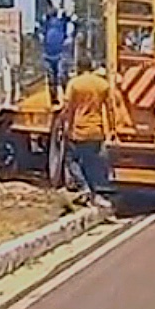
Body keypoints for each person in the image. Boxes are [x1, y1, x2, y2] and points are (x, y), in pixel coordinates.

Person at [61, 53, 113, 208]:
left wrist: (66, 127)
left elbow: (68, 108)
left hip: (79, 129)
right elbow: (110, 109)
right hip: (96, 129)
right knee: (92, 162)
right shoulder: (102, 84)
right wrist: (110, 129)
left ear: (78, 67)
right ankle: (95, 193)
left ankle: (84, 188)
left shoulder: (75, 84)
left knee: (72, 161)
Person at [38, 0, 76, 104]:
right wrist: (41, 37)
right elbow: (40, 32)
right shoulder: (45, 20)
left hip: (60, 53)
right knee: (51, 78)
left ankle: (67, 96)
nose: (47, 10)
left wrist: (69, 37)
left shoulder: (62, 18)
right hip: (48, 54)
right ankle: (53, 98)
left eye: (48, 8)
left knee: (62, 76)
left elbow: (73, 22)